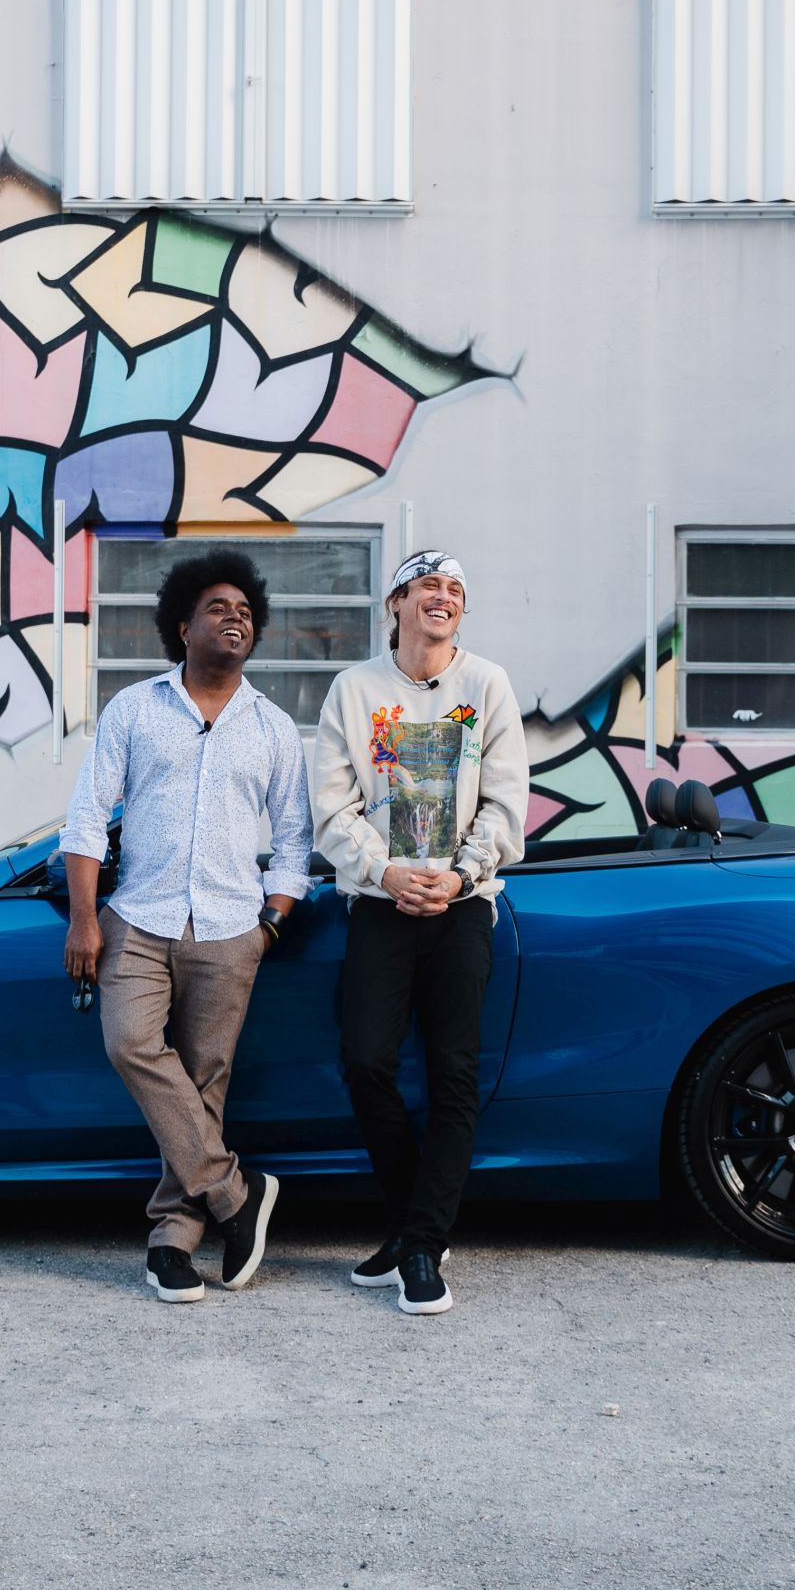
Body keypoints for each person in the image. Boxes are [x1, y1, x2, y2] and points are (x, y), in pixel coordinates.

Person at [60, 547, 312, 1303]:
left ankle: (172, 1240)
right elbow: (86, 817)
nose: (235, 619)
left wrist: (269, 926)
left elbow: (293, 842)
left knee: (204, 1082)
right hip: (138, 918)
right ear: (183, 626)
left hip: (231, 927)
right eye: (218, 608)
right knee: (130, 1043)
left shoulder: (273, 727)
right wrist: (83, 920)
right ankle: (236, 1195)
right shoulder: (135, 709)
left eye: (246, 612)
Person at [312, 551, 528, 1315]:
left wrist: (461, 876)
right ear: (397, 603)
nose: (444, 597)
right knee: (366, 1061)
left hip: (462, 906)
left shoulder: (487, 685)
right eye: (430, 585)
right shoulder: (354, 690)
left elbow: (506, 801)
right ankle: (414, 1232)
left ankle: (422, 1245)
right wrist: (385, 872)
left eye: (456, 590)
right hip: (380, 905)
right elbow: (331, 808)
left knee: (453, 1074)